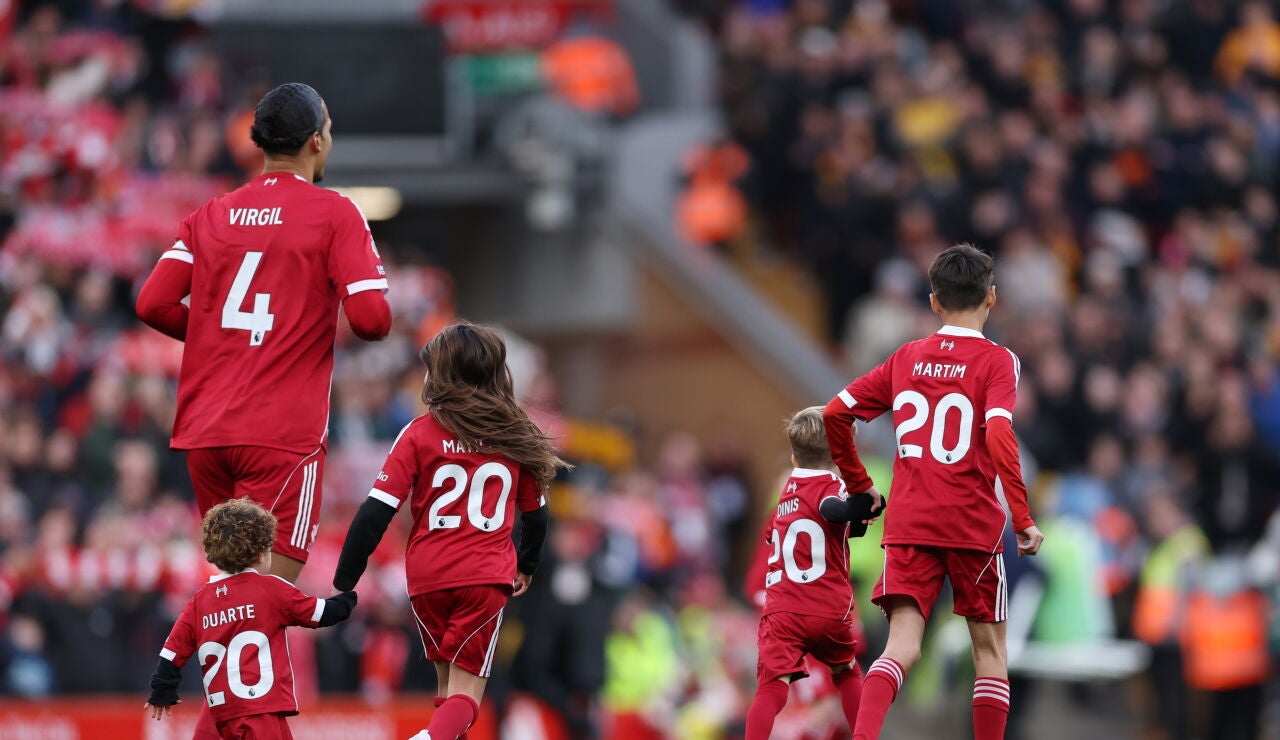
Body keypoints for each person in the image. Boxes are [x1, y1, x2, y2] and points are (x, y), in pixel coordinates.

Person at [135, 82, 393, 585]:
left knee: (232, 593)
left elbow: (152, 302)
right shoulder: (335, 213)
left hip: (207, 433)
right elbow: (372, 320)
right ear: (315, 141)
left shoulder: (211, 214)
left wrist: (216, 338)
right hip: (280, 433)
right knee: (264, 599)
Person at [823, 244, 1044, 740]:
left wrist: (860, 486)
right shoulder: (997, 361)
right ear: (992, 297)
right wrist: (1023, 516)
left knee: (900, 645)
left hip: (910, 520)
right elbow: (999, 434)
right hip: (971, 523)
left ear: (934, 302)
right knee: (989, 651)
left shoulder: (906, 358)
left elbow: (836, 414)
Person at [332, 321, 567, 740]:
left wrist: (346, 577)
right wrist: (527, 566)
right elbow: (537, 517)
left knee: (446, 696)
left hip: (426, 578)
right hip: (482, 577)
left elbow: (375, 512)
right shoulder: (516, 435)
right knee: (466, 699)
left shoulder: (418, 433)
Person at [144, 499, 357, 739]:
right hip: (262, 713)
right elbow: (321, 614)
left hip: (219, 718)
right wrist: (346, 598)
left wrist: (162, 690)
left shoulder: (199, 601)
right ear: (260, 552)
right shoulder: (271, 590)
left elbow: (172, 653)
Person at [745, 406, 881, 740]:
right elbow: (831, 510)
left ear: (793, 459)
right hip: (825, 605)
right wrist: (862, 508)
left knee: (770, 688)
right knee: (847, 673)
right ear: (841, 455)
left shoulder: (785, 496)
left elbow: (781, 538)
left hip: (783, 610)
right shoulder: (832, 486)